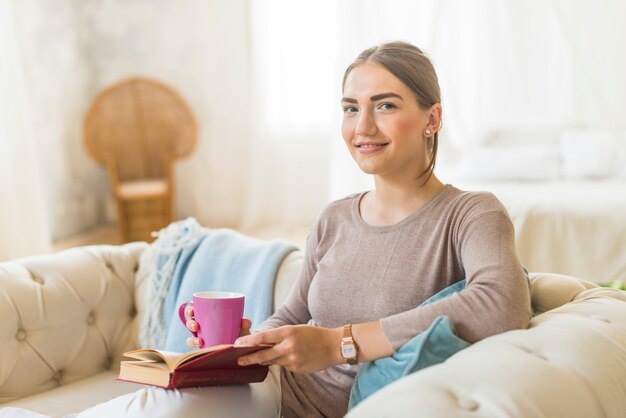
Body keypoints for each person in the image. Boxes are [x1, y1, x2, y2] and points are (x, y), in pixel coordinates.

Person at [78, 41, 531, 418]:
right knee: (156, 407)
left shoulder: (471, 214)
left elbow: (501, 304)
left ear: (432, 119)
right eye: (351, 108)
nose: (363, 127)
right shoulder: (334, 218)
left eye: (385, 105)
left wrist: (338, 344)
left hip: (365, 406)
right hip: (276, 393)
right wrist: (242, 346)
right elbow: (292, 316)